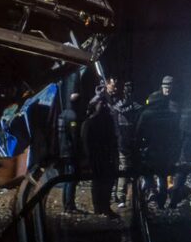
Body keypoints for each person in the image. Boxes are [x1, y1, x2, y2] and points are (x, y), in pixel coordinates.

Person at [135, 75, 181, 209]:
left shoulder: (146, 114)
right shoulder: (171, 114)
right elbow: (176, 133)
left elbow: (138, 132)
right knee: (162, 175)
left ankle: (151, 194)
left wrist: (138, 147)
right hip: (164, 150)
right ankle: (161, 200)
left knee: (148, 173)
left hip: (149, 149)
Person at [81, 79, 120, 218]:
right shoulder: (90, 123)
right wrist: (90, 158)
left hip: (106, 155)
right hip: (97, 156)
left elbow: (112, 137)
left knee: (107, 181)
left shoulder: (106, 120)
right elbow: (87, 142)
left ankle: (104, 206)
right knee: (98, 182)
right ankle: (99, 207)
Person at [112, 81, 142, 208]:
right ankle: (134, 196)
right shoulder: (137, 108)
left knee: (123, 169)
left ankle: (120, 196)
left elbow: (115, 127)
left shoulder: (116, 109)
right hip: (133, 142)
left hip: (122, 142)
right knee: (133, 170)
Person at [59, 92, 84, 214]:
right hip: (70, 152)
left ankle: (66, 203)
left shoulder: (62, 114)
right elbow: (74, 136)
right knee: (72, 178)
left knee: (66, 178)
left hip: (62, 151)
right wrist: (79, 152)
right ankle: (70, 205)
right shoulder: (73, 117)